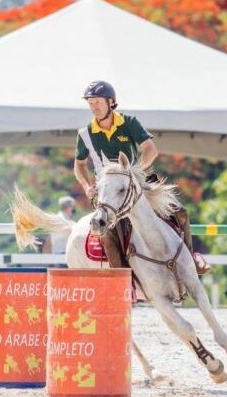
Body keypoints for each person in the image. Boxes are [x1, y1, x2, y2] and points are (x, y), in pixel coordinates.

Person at [73, 80, 210, 274]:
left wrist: (134, 173)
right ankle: (121, 282)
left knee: (179, 211)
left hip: (137, 184)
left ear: (111, 102)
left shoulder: (129, 123)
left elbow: (150, 150)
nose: (94, 106)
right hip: (108, 194)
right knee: (109, 235)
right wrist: (87, 186)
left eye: (98, 102)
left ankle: (191, 259)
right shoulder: (85, 133)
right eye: (90, 102)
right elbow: (79, 165)